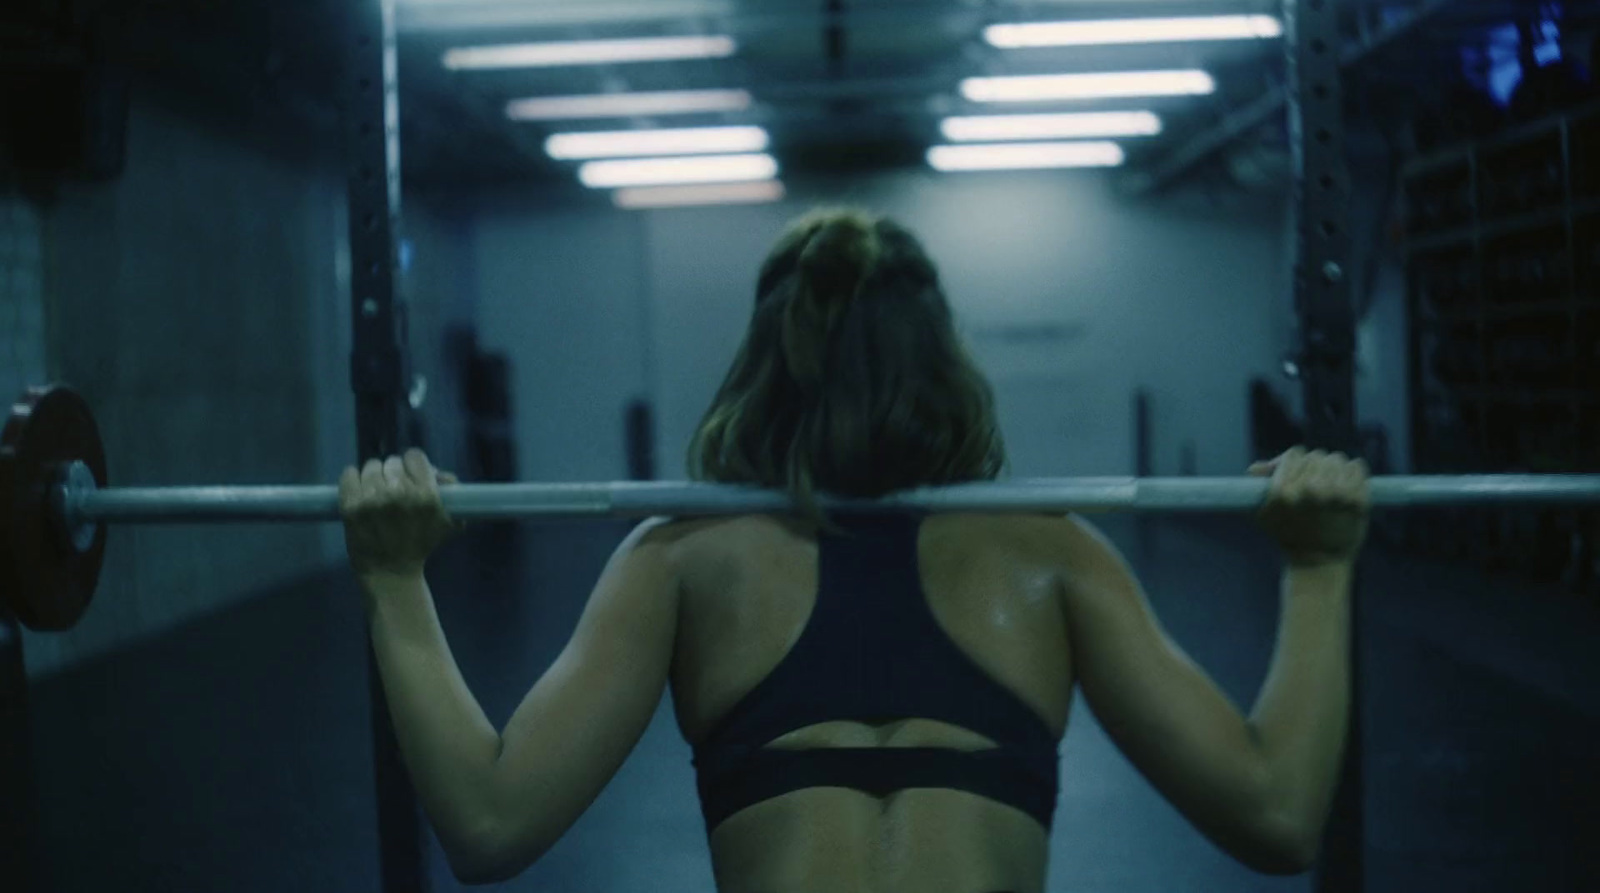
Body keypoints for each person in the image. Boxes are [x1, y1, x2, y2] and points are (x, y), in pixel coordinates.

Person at [339, 209, 1370, 893]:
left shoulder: (684, 561)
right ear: (944, 357)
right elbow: (1276, 813)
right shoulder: (1050, 556)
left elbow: (486, 819)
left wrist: (395, 578)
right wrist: (1317, 568)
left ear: (765, 359)